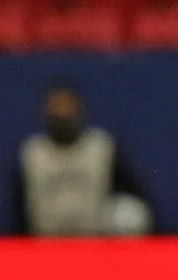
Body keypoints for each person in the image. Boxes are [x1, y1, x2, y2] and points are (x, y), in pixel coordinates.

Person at [12, 82, 153, 237]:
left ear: (79, 110)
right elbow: (19, 211)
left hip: (94, 244)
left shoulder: (101, 148)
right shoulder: (32, 154)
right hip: (45, 245)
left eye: (67, 108)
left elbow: (134, 199)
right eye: (56, 109)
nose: (62, 115)